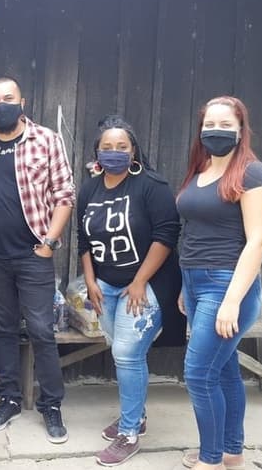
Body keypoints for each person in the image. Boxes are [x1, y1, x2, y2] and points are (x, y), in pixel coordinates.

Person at [0, 76, 75, 444]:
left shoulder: (46, 140)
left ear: (22, 101)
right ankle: (9, 398)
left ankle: (51, 404)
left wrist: (49, 242)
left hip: (32, 254)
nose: (2, 105)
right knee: (4, 329)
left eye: (8, 98)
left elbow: (64, 195)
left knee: (41, 330)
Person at [76, 115, 184, 466]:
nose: (114, 152)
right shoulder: (90, 188)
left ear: (133, 150)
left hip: (148, 284)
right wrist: (90, 280)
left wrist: (139, 281)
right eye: (107, 147)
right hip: (105, 284)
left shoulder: (151, 185)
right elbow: (83, 239)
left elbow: (166, 235)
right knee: (122, 351)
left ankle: (129, 433)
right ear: (97, 152)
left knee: (126, 354)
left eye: (121, 146)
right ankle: (136, 416)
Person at [177, 96, 262, 470]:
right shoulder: (201, 170)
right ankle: (231, 452)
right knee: (224, 369)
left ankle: (211, 460)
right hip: (195, 283)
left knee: (198, 374)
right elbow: (195, 230)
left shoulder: (253, 173)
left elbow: (259, 240)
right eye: (209, 125)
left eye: (225, 125)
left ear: (240, 130)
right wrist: (186, 288)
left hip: (226, 284)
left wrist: (231, 301)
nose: (215, 131)